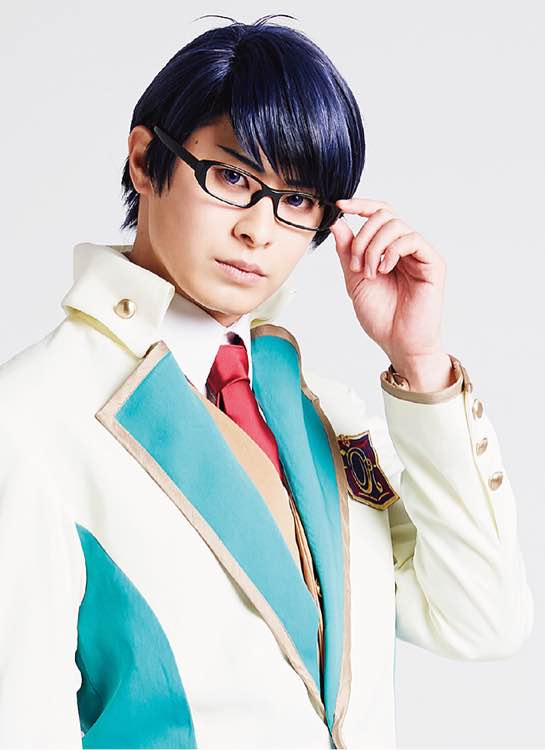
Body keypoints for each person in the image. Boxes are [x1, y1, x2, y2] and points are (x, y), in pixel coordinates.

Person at [0, 13, 533, 750]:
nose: (260, 229)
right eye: (231, 177)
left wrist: (419, 363)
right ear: (145, 161)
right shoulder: (32, 419)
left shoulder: (325, 414)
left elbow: (482, 620)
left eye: (298, 200)